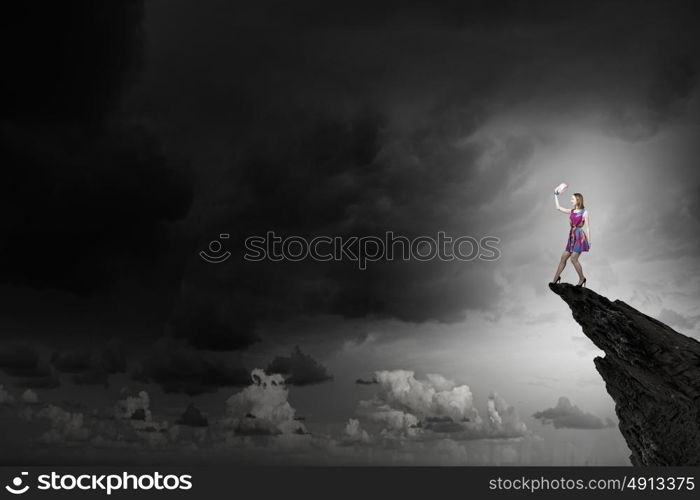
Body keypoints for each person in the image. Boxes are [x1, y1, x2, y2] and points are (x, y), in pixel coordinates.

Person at [550, 191, 590, 287]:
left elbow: (588, 227)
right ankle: (555, 279)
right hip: (571, 236)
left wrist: (589, 241)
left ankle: (582, 278)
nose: (571, 200)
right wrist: (555, 195)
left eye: (572, 199)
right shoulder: (571, 211)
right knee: (563, 257)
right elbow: (558, 208)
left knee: (573, 259)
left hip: (579, 237)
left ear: (578, 200)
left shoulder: (585, 212)